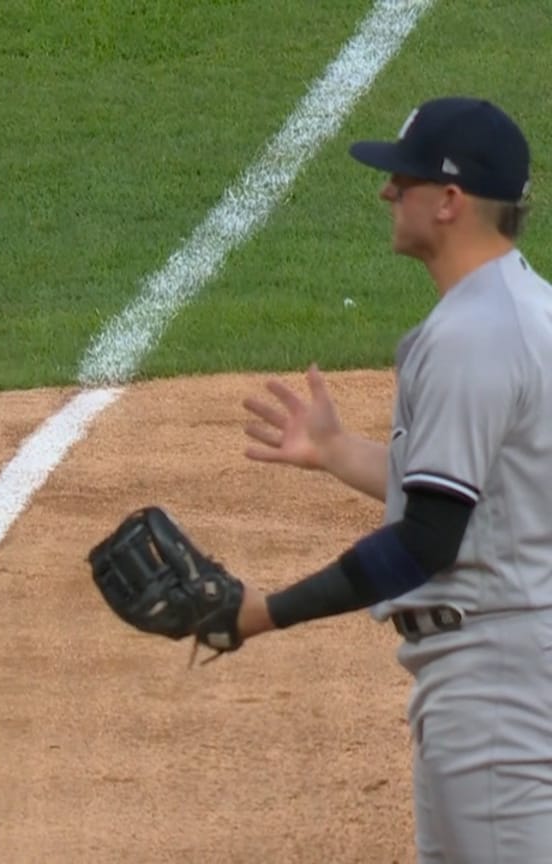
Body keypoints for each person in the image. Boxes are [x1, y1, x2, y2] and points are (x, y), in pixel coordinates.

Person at [235, 97, 546, 862]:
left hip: (499, 684)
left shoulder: (477, 336)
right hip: (500, 664)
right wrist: (338, 450)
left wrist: (263, 613)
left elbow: (428, 540)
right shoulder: (521, 310)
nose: (385, 194)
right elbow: (480, 498)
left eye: (400, 180)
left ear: (449, 201)